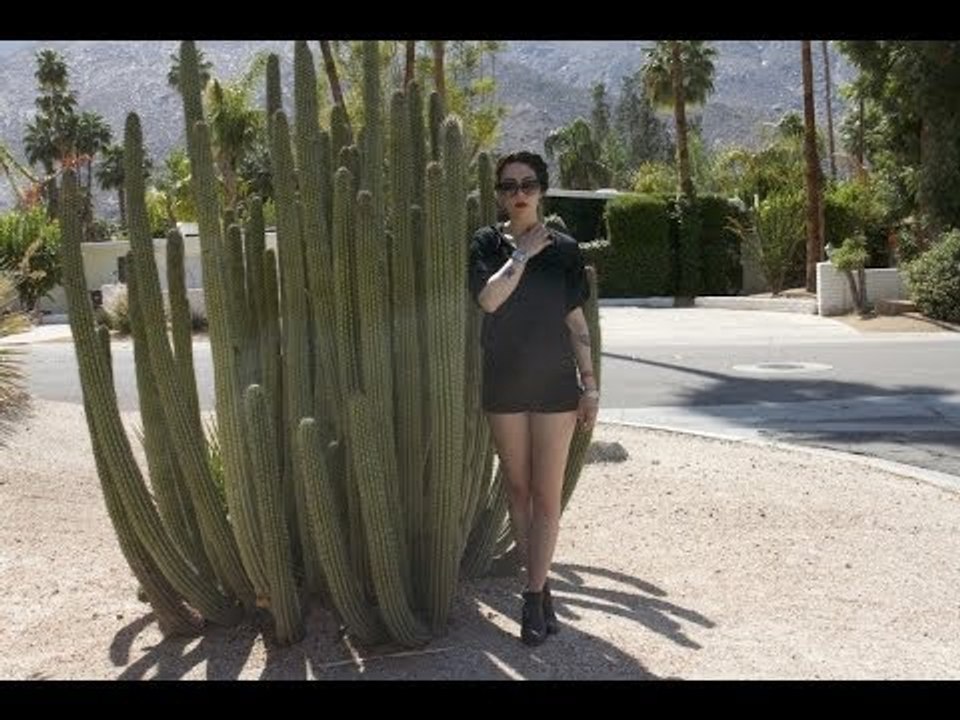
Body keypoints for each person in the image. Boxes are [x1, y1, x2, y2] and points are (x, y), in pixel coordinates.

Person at [468, 150, 599, 646]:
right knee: (518, 492)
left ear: (542, 190)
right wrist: (521, 254)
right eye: (508, 186)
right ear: (500, 195)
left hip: (555, 386)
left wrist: (591, 385)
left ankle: (532, 593)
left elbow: (576, 323)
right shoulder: (485, 243)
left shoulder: (566, 249)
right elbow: (488, 300)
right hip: (504, 382)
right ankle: (539, 590)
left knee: (546, 497)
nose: (518, 193)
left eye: (527, 184)